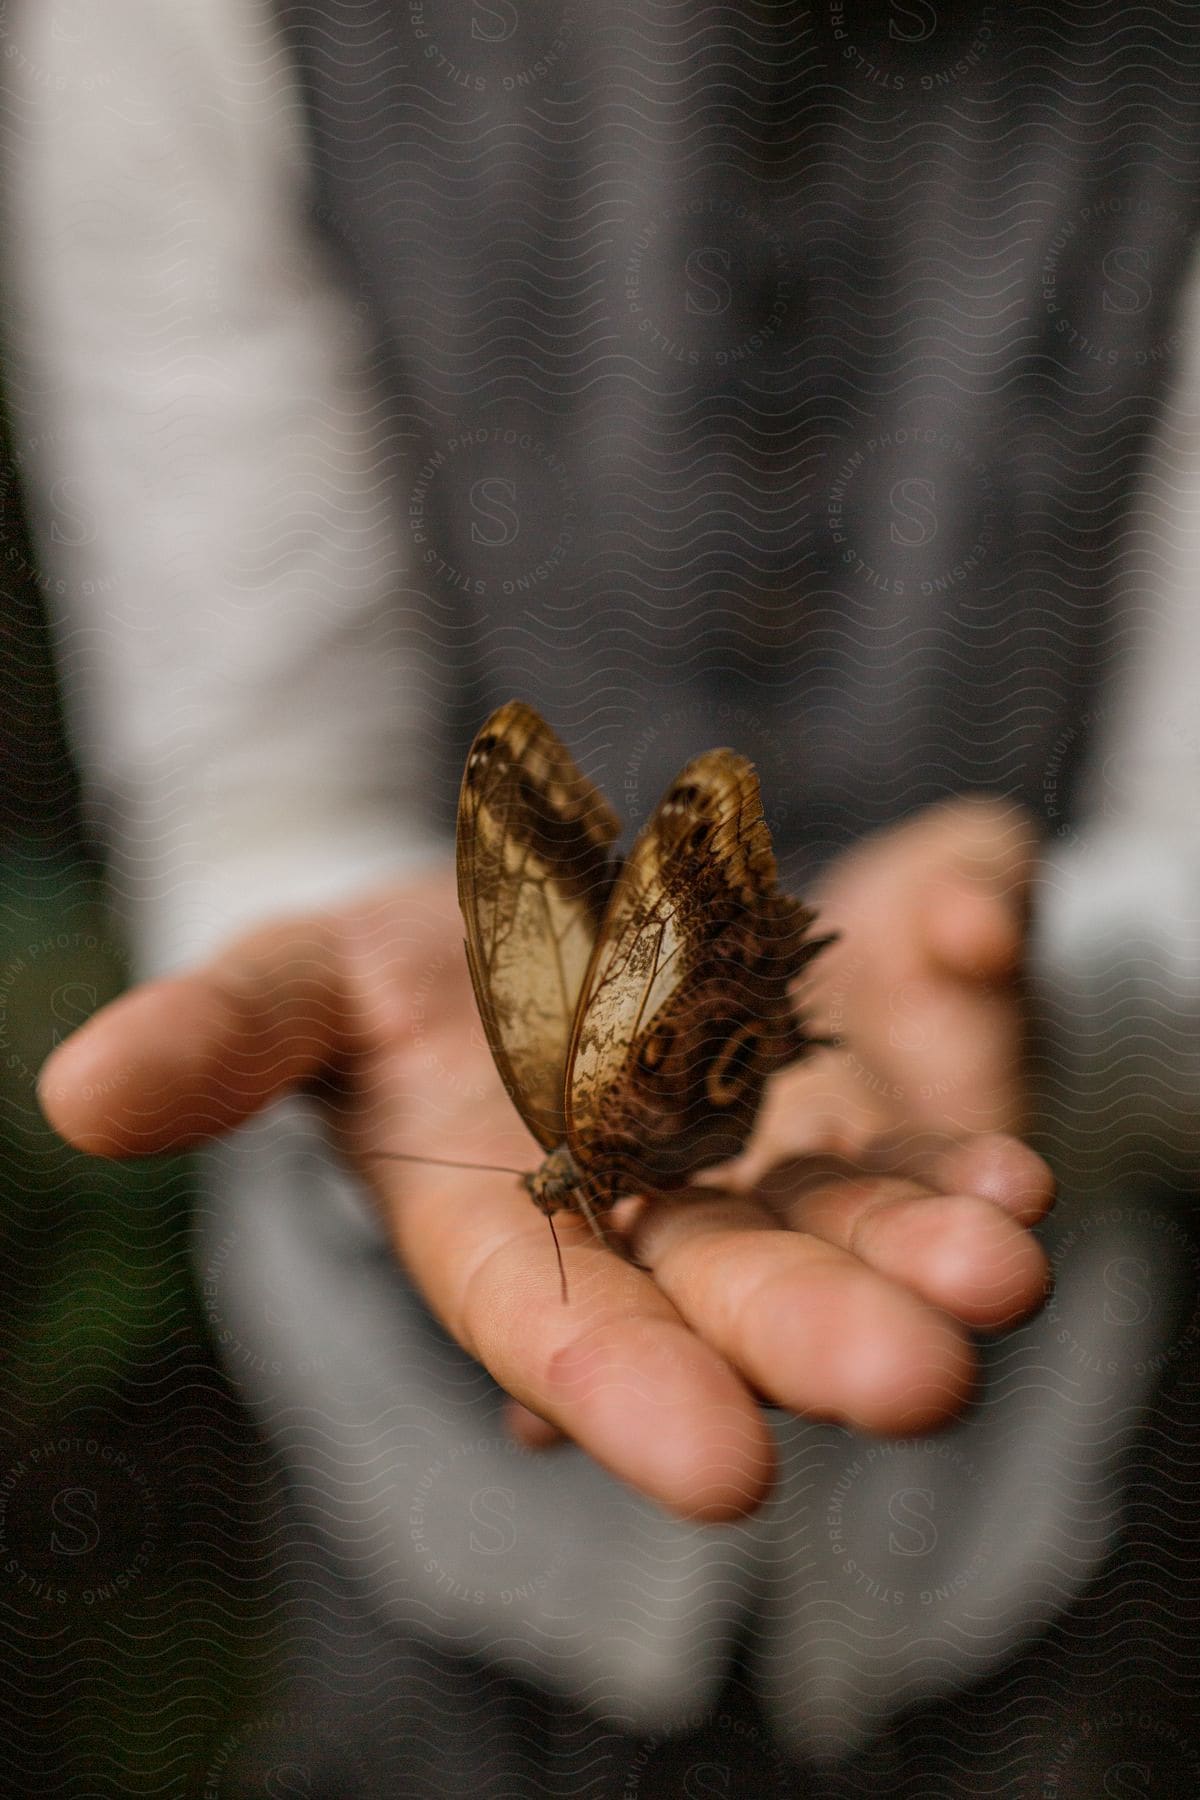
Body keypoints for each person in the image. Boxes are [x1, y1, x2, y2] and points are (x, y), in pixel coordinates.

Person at [5, 1, 1200, 1792]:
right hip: (406, 1487)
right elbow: (263, 783)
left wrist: (1045, 1004)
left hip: (1079, 1470)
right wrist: (338, 964)